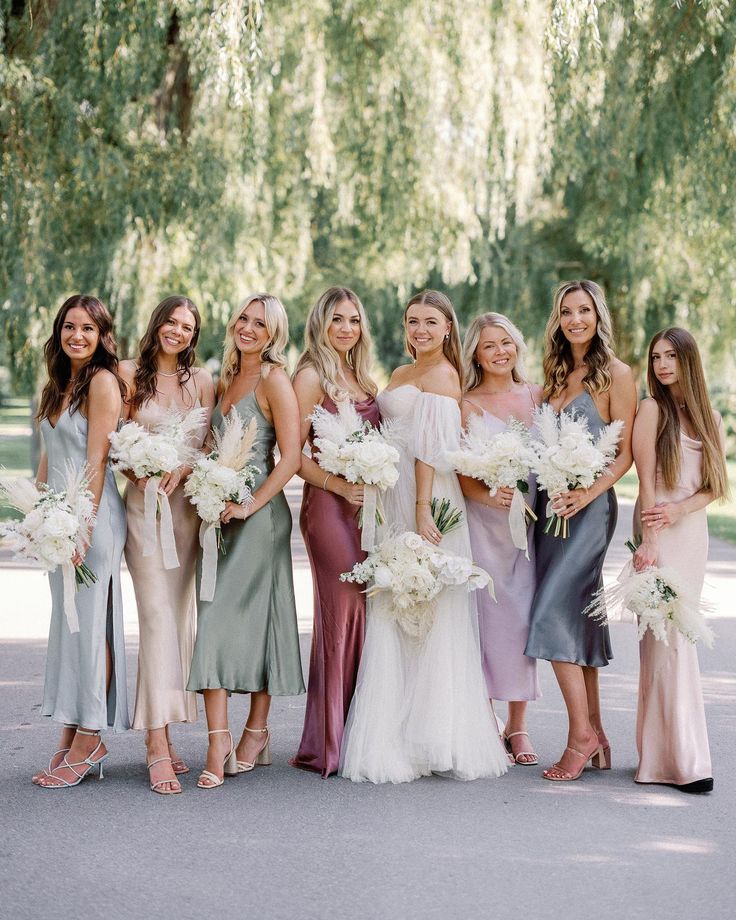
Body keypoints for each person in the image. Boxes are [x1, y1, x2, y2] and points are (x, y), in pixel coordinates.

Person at [339, 290, 509, 784]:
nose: (420, 330)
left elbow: (432, 450)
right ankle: (397, 732)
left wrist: (420, 512)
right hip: (395, 499)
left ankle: (438, 734)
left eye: (431, 322)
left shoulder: (442, 375)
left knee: (433, 612)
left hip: (429, 502)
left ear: (448, 329)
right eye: (413, 321)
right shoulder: (399, 374)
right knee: (396, 608)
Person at [187, 293, 305, 788]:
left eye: (261, 323)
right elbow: (214, 447)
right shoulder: (223, 379)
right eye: (243, 318)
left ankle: (253, 733)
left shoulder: (275, 379)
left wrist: (250, 504)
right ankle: (220, 741)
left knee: (254, 622)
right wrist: (207, 490)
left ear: (274, 333)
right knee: (213, 618)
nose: (249, 328)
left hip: (260, 519)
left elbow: (292, 456)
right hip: (219, 516)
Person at [525, 280, 636, 782]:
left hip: (589, 511)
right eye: (567, 311)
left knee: (550, 613)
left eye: (584, 311)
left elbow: (626, 454)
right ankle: (599, 735)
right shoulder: (553, 376)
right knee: (578, 618)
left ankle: (579, 737)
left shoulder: (617, 375)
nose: (575, 319)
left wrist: (585, 495)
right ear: (558, 319)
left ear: (598, 316)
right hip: (550, 511)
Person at [119, 296, 215, 794]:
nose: (177, 332)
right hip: (144, 510)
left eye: (187, 326)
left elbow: (206, 445)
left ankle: (169, 735)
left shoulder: (200, 381)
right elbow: (113, 440)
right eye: (171, 322)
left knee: (178, 623)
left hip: (185, 515)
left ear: (193, 335)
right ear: (157, 323)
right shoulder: (127, 374)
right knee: (155, 619)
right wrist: (139, 469)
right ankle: (154, 744)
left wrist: (187, 467)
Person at [33, 295, 128, 788]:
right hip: (59, 521)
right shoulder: (58, 386)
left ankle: (91, 735)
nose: (77, 336)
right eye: (69, 327)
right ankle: (71, 730)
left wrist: (81, 526)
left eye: (87, 329)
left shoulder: (103, 383)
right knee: (69, 626)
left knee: (91, 627)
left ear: (101, 335)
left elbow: (95, 462)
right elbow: (50, 458)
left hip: (92, 520)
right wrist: (39, 516)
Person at [632, 328, 728, 794]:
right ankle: (679, 760)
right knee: (664, 643)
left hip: (690, 535)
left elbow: (715, 487)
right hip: (657, 535)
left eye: (671, 356)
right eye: (656, 357)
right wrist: (649, 538)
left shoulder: (710, 417)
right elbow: (645, 477)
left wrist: (681, 510)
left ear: (688, 360)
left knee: (679, 640)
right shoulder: (651, 410)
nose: (662, 365)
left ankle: (667, 758)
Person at [290, 288, 380, 777]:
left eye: (353, 320)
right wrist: (340, 486)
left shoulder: (363, 377)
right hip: (328, 507)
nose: (346, 328)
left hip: (366, 512)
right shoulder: (309, 376)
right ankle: (327, 744)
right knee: (341, 612)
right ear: (320, 324)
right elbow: (292, 454)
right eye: (336, 319)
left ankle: (357, 731)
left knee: (365, 609)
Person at [458, 313, 542, 765]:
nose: (500, 352)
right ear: (476, 352)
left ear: (517, 346)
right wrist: (494, 497)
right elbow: (462, 479)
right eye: (489, 345)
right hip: (484, 525)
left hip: (528, 530)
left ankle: (519, 724)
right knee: (486, 618)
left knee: (522, 618)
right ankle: (485, 718)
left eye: (506, 342)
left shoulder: (537, 395)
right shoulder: (468, 404)